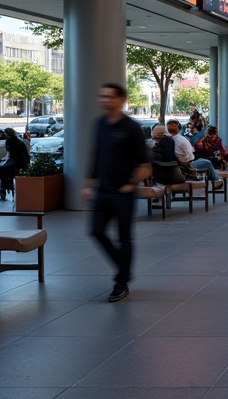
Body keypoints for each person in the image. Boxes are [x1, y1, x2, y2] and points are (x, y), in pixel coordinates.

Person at [83, 82, 150, 303]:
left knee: (124, 238)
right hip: (102, 190)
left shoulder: (131, 127)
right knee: (96, 231)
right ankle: (124, 267)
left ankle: (120, 283)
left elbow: (143, 163)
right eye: (102, 96)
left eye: (110, 97)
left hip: (123, 193)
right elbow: (96, 155)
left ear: (121, 100)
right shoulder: (99, 124)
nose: (105, 100)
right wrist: (88, 184)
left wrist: (131, 184)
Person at [0, 127, 30, 200]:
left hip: (16, 162)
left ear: (7, 134)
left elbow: (10, 151)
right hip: (21, 162)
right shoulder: (18, 141)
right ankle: (2, 186)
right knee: (3, 171)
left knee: (1, 169)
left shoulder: (10, 141)